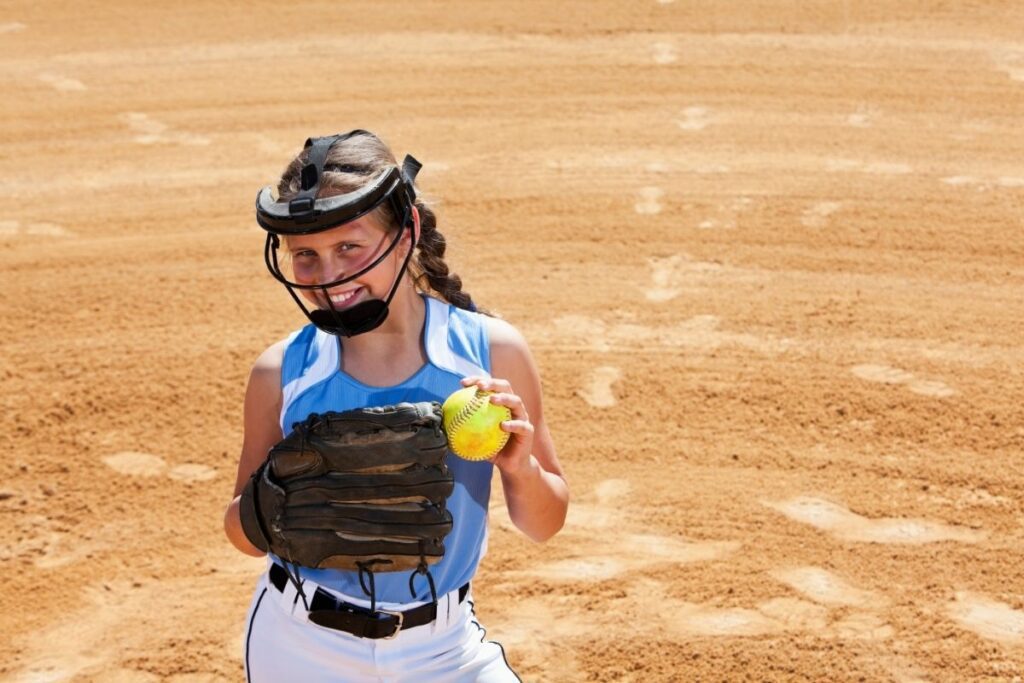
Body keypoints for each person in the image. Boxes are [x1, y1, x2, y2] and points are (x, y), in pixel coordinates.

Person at [223, 129, 569, 682]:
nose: (328, 275)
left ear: (405, 234)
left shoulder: (488, 354)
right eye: (305, 255)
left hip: (445, 650)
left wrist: (520, 468)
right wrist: (271, 503)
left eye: (349, 247)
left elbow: (544, 525)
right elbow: (239, 533)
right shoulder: (281, 373)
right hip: (300, 646)